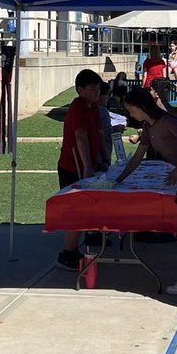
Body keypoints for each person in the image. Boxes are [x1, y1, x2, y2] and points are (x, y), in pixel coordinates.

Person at [56, 69, 105, 271]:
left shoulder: (93, 106)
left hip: (90, 164)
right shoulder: (78, 106)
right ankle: (67, 254)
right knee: (76, 211)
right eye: (92, 89)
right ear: (80, 89)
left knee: (86, 208)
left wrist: (102, 157)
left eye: (98, 89)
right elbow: (80, 136)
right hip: (73, 166)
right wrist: (86, 166)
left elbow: (98, 133)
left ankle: (80, 243)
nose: (96, 92)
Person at [116, 87, 177, 187]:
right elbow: (137, 157)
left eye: (132, 111)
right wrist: (118, 180)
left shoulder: (167, 121)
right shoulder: (147, 127)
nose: (131, 115)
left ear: (143, 107)